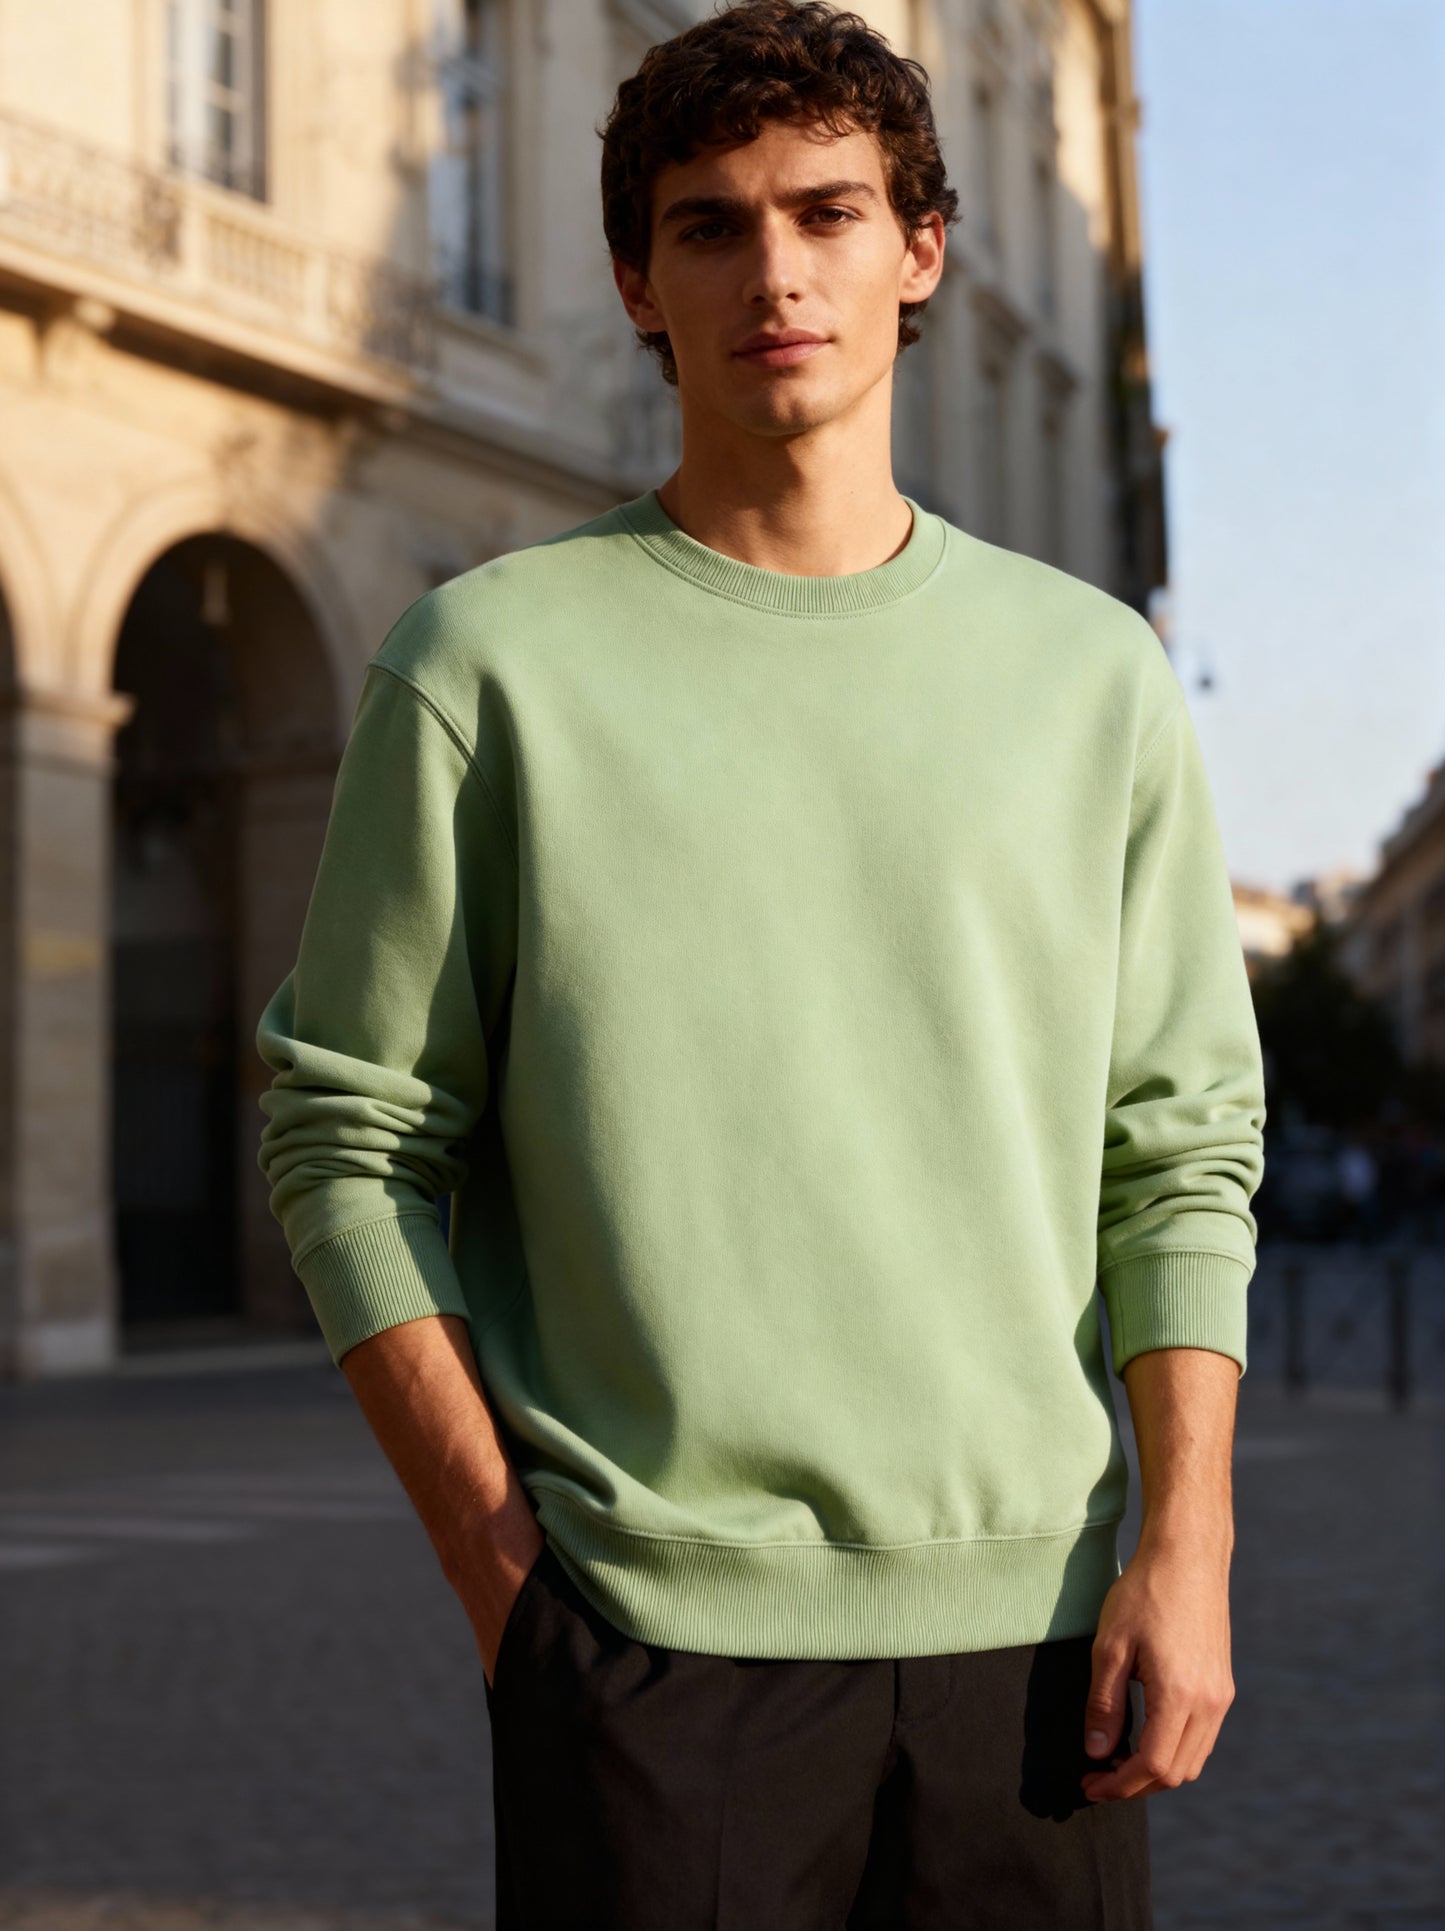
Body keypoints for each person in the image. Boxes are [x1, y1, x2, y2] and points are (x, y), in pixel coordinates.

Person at [255, 3, 1266, 1924]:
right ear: (637, 281)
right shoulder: (484, 668)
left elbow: (1181, 1138)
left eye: (825, 210)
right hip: (649, 1664)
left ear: (918, 251)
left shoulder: (1089, 680)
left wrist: (1188, 1542)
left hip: (1040, 1640)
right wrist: (510, 1584)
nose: (775, 271)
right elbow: (347, 1138)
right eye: (709, 226)